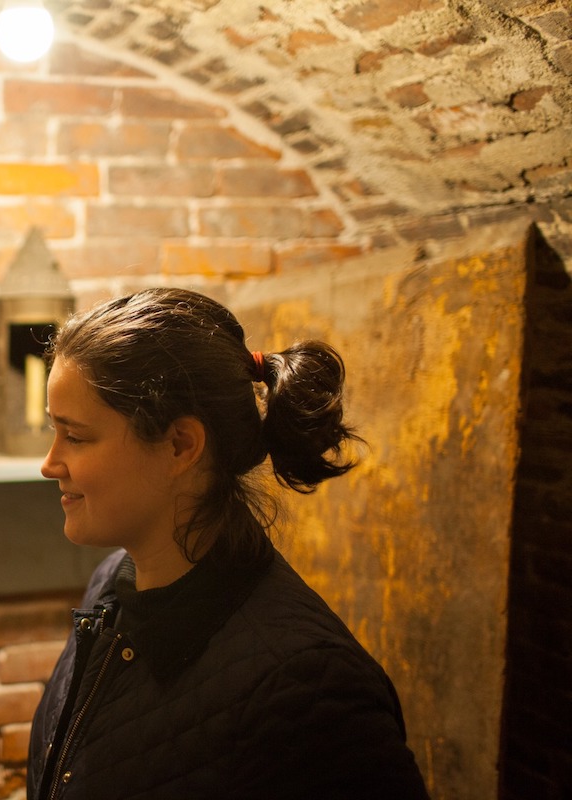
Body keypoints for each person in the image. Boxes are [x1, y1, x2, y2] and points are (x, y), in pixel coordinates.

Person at [27, 287, 429, 799]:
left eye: (76, 436)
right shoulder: (113, 583)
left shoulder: (309, 688)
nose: (49, 462)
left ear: (180, 446)